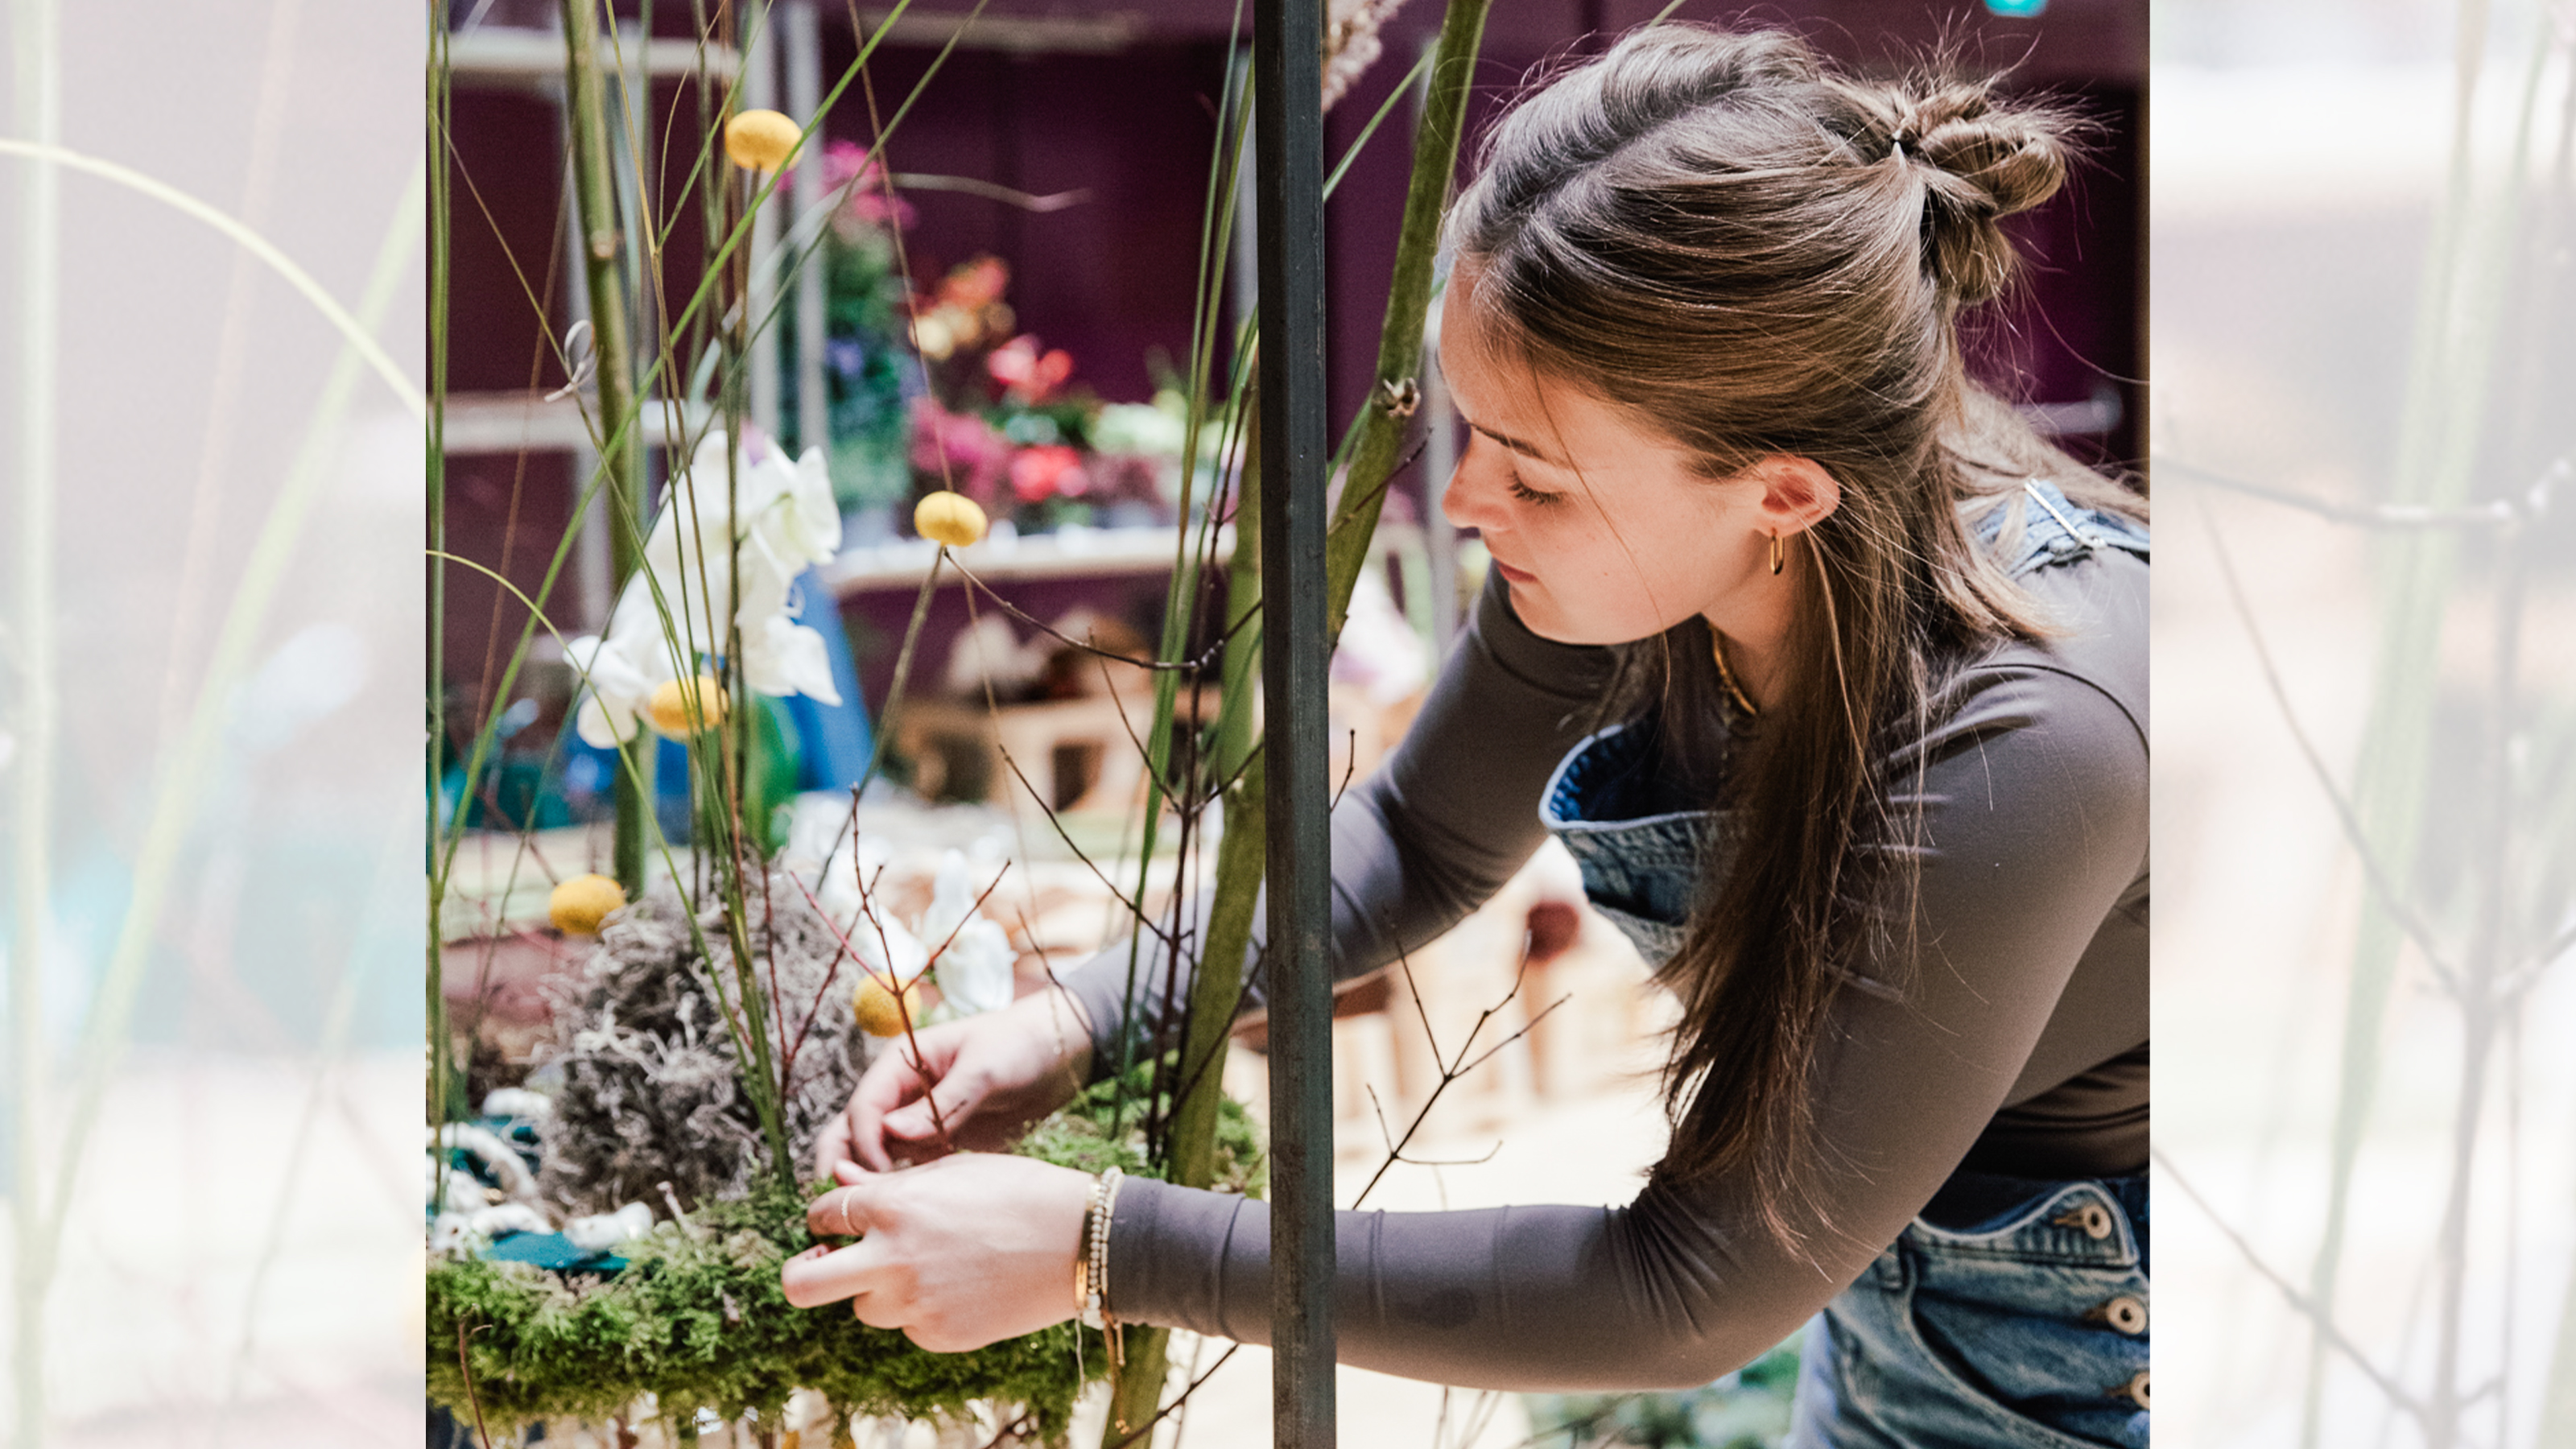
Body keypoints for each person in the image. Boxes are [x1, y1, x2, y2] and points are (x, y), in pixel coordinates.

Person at [781, 24, 2149, 1447]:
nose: (1467, 504)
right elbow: (1421, 839)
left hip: (2096, 1360)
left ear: (1783, 494)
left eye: (1537, 478)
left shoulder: (2036, 739)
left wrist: (1104, 1248)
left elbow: (1688, 1291)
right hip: (1886, 1317)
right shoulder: (1671, 541)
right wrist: (1076, 1019)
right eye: (1472, 433)